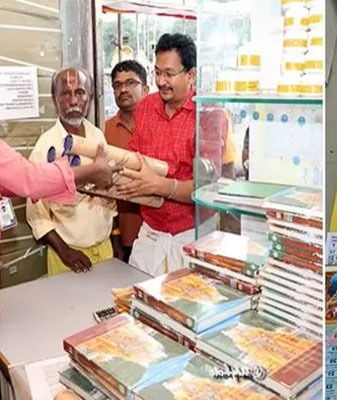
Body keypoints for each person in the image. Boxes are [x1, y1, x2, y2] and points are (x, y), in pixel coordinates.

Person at [116, 33, 232, 276]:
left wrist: (160, 185)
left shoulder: (208, 113)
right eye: (157, 72)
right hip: (151, 233)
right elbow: (135, 158)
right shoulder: (146, 107)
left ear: (191, 74)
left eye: (169, 74)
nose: (161, 81)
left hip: (192, 235)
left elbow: (206, 188)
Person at [26, 67, 117, 274]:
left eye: (80, 92)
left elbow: (110, 197)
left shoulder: (97, 136)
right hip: (67, 258)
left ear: (90, 97)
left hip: (105, 248)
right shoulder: (45, 147)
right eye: (66, 93)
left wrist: (115, 238)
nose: (74, 101)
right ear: (55, 99)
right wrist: (65, 252)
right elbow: (36, 215)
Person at [105, 60, 148, 263]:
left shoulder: (159, 127)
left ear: (146, 89)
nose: (123, 90)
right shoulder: (104, 131)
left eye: (130, 83)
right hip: (124, 233)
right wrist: (115, 234)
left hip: (159, 231)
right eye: (117, 85)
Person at [1, 140, 115, 202]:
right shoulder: (46, 141)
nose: (74, 104)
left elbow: (14, 180)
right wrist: (90, 172)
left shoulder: (97, 135)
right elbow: (29, 178)